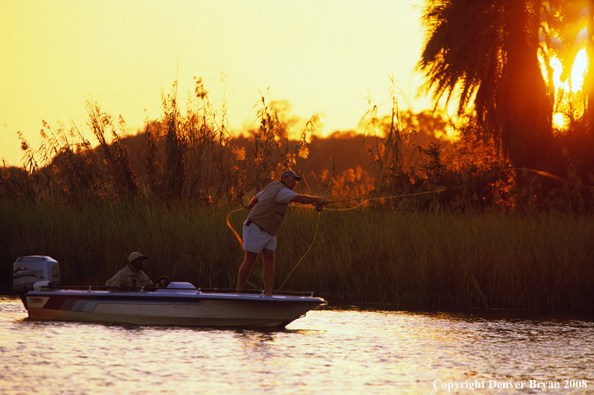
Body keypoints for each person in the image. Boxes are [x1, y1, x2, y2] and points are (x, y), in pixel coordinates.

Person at [236, 170, 328, 296]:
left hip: (269, 230)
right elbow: (299, 198)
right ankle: (238, 292)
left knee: (269, 259)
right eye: (293, 179)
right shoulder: (282, 191)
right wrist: (319, 199)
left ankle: (269, 293)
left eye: (296, 180)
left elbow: (257, 196)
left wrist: (250, 205)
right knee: (250, 260)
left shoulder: (272, 186)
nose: (295, 182)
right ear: (284, 178)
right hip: (255, 226)